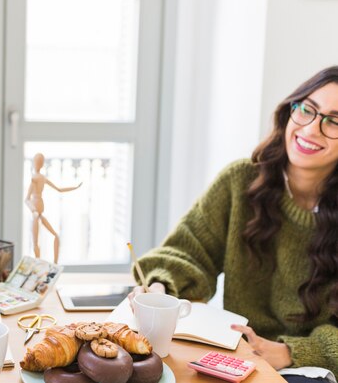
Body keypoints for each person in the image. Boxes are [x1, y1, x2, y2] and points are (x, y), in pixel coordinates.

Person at [128, 67, 338, 383]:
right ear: (290, 111)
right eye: (307, 109)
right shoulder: (241, 181)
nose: (311, 129)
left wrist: (291, 352)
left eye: (334, 121)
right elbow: (187, 252)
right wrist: (160, 287)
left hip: (313, 370)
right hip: (239, 358)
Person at [24, 153, 82, 263]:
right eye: (38, 162)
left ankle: (55, 264)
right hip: (36, 213)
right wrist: (33, 210)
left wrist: (75, 187)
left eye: (40, 162)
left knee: (55, 236)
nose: (39, 165)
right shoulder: (34, 179)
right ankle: (38, 264)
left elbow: (59, 189)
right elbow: (26, 199)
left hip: (40, 211)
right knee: (36, 242)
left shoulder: (42, 178)